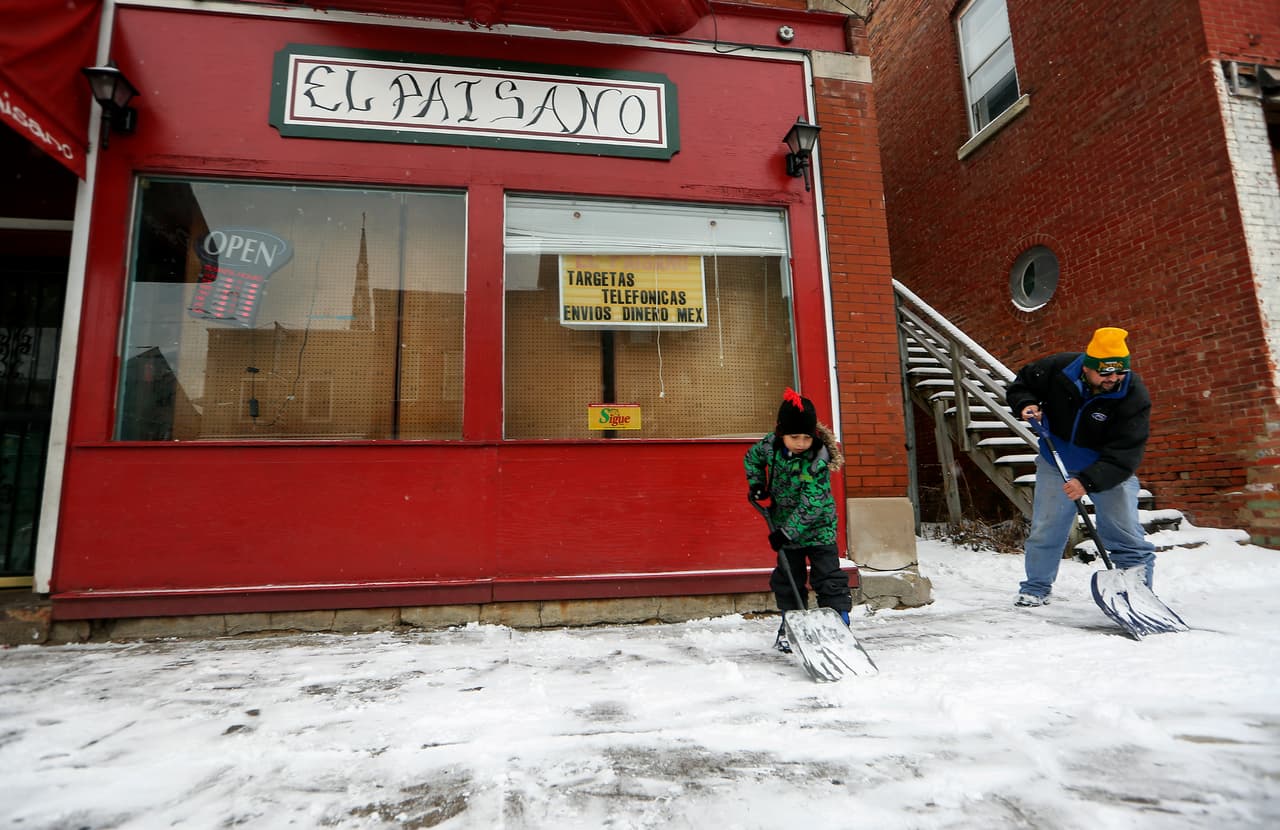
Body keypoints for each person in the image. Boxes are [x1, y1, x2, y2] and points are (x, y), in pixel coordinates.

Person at [1005, 326, 1156, 607]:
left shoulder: (1133, 395)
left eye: (1119, 372)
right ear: (1087, 367)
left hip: (1107, 467)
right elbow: (1021, 383)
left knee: (1123, 533)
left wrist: (1087, 480)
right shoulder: (1058, 369)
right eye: (1106, 373)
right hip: (1056, 460)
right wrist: (1025, 403)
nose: (1113, 379)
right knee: (1046, 529)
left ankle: (1139, 594)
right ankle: (1035, 587)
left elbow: (1125, 452)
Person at [744, 387, 851, 652]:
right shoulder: (770, 446)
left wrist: (787, 532)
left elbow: (812, 504)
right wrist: (758, 484)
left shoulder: (816, 461)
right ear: (782, 433)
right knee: (787, 579)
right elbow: (752, 458)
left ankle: (839, 623)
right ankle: (790, 625)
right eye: (795, 437)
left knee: (828, 578)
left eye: (807, 437)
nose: (802, 443)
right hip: (785, 525)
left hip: (819, 529)